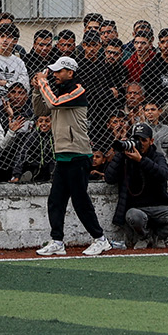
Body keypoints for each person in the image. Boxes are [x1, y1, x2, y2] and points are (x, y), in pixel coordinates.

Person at [31, 57, 112, 256]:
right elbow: (41, 109)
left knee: (80, 200)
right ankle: (57, 241)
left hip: (78, 154)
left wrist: (43, 82)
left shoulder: (78, 90)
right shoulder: (57, 91)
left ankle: (100, 239)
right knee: (56, 200)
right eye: (54, 72)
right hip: (63, 155)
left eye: (59, 72)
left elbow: (54, 103)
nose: (55, 75)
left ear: (70, 72)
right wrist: (36, 89)